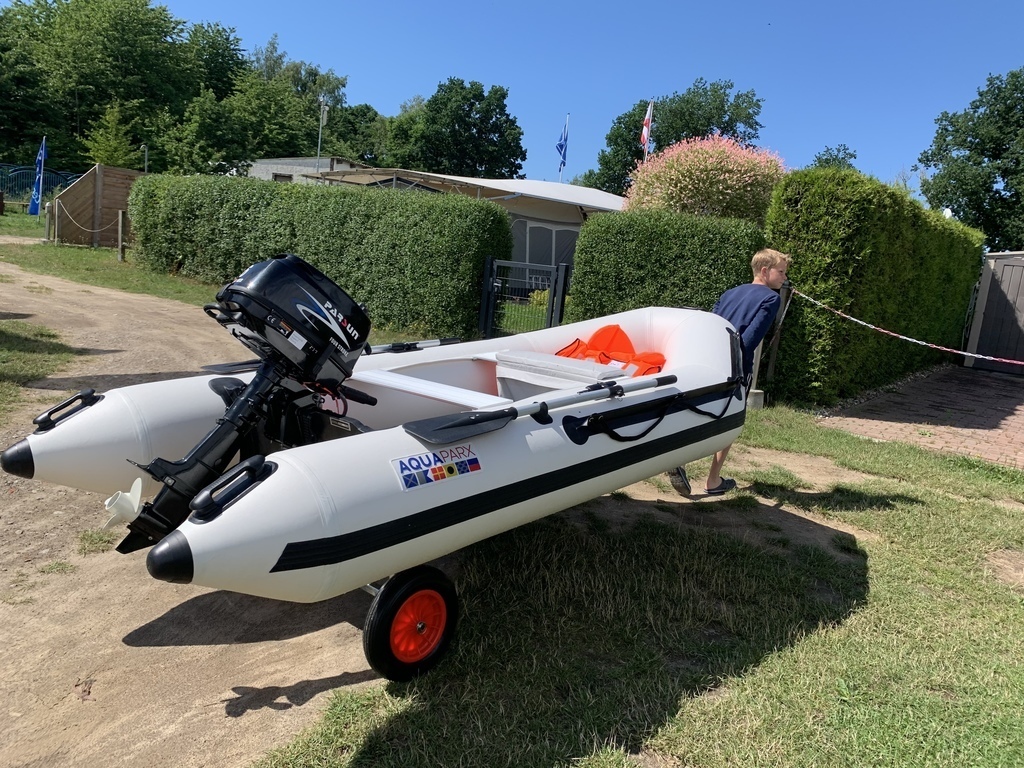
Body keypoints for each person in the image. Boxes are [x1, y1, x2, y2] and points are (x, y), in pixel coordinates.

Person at [672, 248, 791, 495]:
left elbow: (711, 324)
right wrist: (739, 370)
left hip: (707, 360)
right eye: (781, 272)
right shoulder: (771, 299)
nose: (784, 278)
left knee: (699, 410)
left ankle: (677, 460)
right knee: (730, 421)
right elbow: (750, 340)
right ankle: (713, 481)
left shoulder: (730, 293)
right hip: (734, 367)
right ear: (765, 271)